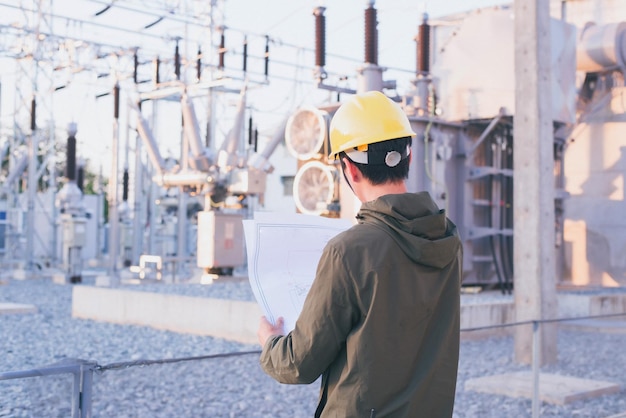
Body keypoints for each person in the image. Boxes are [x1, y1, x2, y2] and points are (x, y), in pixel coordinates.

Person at [257, 90, 463, 418]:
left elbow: (299, 364)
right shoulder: (448, 238)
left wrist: (270, 343)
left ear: (349, 170)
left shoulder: (349, 251)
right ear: (407, 158)